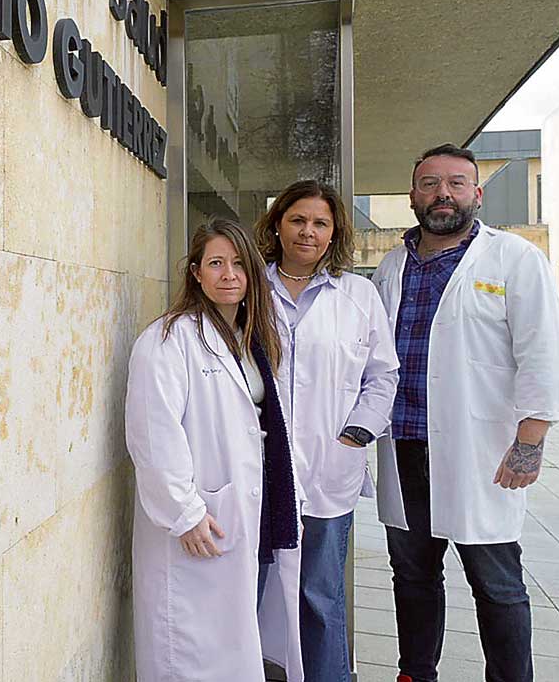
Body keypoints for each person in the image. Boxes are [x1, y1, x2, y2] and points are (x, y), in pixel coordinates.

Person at [372, 144, 559, 682]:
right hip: (404, 446)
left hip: (479, 452)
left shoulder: (513, 259)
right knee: (412, 575)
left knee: (497, 583)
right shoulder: (391, 267)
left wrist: (530, 442)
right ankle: (415, 673)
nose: (443, 194)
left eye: (456, 183)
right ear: (412, 195)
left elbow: (543, 353)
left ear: (476, 195)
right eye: (430, 183)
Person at [125, 218, 304, 682]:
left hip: (243, 510)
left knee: (231, 646)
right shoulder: (168, 339)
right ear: (196, 273)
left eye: (240, 264)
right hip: (196, 519)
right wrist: (183, 512)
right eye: (217, 263)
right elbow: (153, 435)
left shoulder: (252, 340)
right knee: (188, 651)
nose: (229, 275)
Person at [254, 180, 399, 682]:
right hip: (259, 468)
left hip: (327, 471)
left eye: (320, 223)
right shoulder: (250, 287)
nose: (307, 232)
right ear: (278, 224)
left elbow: (383, 375)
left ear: (333, 232)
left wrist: (357, 434)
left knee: (319, 593)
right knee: (248, 592)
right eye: (297, 220)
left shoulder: (357, 294)